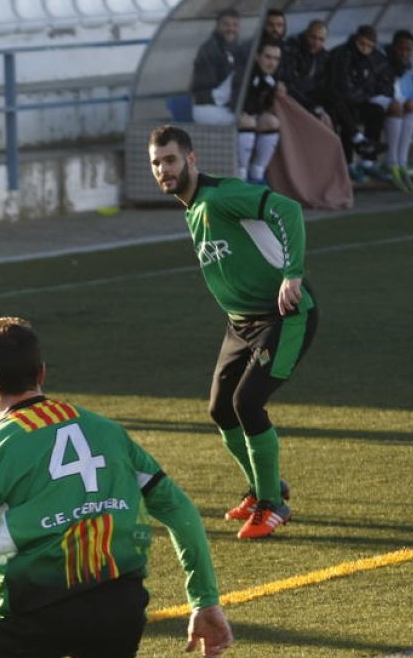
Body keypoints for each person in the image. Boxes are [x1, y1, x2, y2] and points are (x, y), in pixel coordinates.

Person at [0, 316, 234, 658]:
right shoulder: (108, 432)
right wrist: (204, 599)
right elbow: (179, 509)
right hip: (120, 608)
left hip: (35, 615)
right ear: (41, 372)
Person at [147, 125, 318, 540]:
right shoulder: (192, 207)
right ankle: (265, 488)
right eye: (156, 163)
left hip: (284, 315)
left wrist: (293, 275)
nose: (163, 170)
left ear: (191, 159)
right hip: (240, 325)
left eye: (170, 160)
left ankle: (271, 505)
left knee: (248, 402)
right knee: (221, 409)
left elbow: (288, 210)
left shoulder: (220, 196)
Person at [324, 25, 392, 183]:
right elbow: (341, 86)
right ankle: (348, 163)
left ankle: (368, 161)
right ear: (356, 39)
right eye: (362, 43)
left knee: (376, 111)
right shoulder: (342, 55)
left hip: (357, 100)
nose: (365, 48)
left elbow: (374, 83)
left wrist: (368, 95)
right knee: (348, 114)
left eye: (369, 46)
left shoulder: (372, 58)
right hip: (338, 102)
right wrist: (362, 95)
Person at [236, 39, 284, 184]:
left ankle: (257, 173)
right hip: (229, 114)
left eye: (276, 59)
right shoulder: (244, 73)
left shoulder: (271, 77)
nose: (272, 63)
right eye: (268, 57)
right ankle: (240, 175)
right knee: (248, 122)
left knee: (272, 122)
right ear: (257, 57)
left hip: (252, 115)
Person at [381, 30, 413, 192]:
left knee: (411, 106)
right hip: (377, 94)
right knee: (396, 107)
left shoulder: (403, 63)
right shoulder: (383, 59)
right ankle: (391, 163)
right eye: (401, 49)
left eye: (408, 49)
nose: (404, 53)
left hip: (392, 94)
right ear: (393, 47)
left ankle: (402, 162)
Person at [190, 8, 242, 125]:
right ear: (217, 26)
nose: (231, 29)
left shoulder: (237, 48)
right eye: (226, 24)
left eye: (235, 25)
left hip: (226, 105)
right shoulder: (209, 50)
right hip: (207, 106)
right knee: (244, 121)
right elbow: (205, 92)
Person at [282, 20, 334, 129]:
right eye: (313, 37)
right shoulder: (292, 48)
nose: (316, 42)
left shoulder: (324, 56)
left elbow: (325, 83)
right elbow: (289, 81)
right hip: (295, 97)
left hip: (313, 97)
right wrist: (311, 105)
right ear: (306, 34)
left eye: (321, 39)